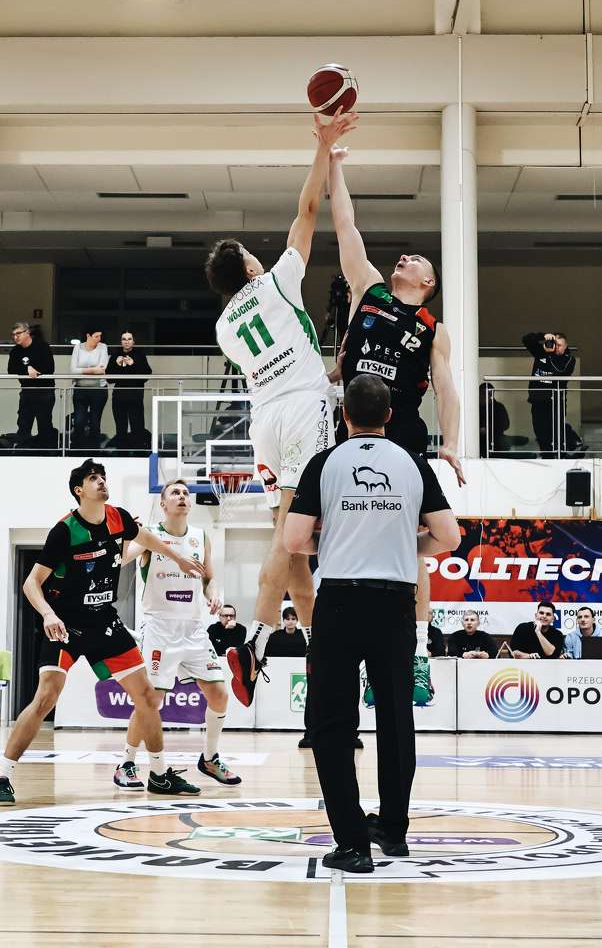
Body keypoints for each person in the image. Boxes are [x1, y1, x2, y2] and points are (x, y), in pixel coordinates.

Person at [206, 106, 357, 707]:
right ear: (250, 266)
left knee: (289, 537)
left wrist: (326, 371)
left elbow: (279, 358)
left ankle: (317, 647)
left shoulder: (224, 328)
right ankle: (254, 642)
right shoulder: (275, 281)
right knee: (293, 536)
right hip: (301, 413)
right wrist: (323, 147)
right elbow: (308, 211)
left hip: (264, 423)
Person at [283, 374, 460, 873]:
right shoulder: (413, 462)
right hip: (395, 604)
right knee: (396, 719)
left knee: (332, 724)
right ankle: (394, 832)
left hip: (339, 603)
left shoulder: (324, 463)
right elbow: (449, 537)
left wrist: (336, 541)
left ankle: (352, 843)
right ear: (388, 416)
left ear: (344, 415)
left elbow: (294, 540)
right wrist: (406, 544)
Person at [327, 143, 465, 706]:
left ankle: (418, 657)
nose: (403, 258)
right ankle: (354, 656)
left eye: (415, 260)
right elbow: (345, 223)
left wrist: (451, 442)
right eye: (404, 256)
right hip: (351, 426)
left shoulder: (433, 327)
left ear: (427, 283)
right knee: (341, 536)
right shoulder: (369, 288)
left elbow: (447, 387)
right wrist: (334, 162)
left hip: (403, 431)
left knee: (410, 545)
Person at [0, 459, 206, 805]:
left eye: (103, 477)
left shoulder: (118, 518)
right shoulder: (64, 531)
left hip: (105, 623)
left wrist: (178, 558)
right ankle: (3, 774)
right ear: (79, 490)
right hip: (66, 625)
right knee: (46, 696)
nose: (101, 482)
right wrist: (48, 614)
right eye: (93, 478)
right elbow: (31, 583)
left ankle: (159, 774)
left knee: (147, 696)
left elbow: (147, 538)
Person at [120, 478, 241, 787]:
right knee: (151, 700)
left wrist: (214, 595)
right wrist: (126, 534)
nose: (183, 496)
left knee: (219, 694)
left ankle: (209, 758)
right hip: (159, 627)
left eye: (186, 493)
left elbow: (209, 578)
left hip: (193, 628)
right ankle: (126, 763)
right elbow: (121, 559)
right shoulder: (150, 535)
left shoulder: (201, 536)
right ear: (163, 504)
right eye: (175, 492)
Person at [523, 330, 585, 457]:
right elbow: (526, 339)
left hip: (555, 402)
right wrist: (543, 336)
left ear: (565, 346)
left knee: (555, 430)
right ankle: (548, 456)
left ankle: (567, 448)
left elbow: (558, 372)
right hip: (537, 401)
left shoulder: (568, 359)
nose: (556, 347)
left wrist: (549, 355)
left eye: (559, 345)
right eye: (554, 344)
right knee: (540, 431)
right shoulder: (541, 352)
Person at [8, 322, 56, 448]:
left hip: (45, 391)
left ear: (27, 332)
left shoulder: (42, 346)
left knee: (44, 424)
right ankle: (22, 453)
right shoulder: (16, 350)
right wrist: (27, 369)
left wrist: (35, 371)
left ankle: (44, 454)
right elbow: (11, 369)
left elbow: (49, 368)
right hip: (27, 391)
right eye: (14, 335)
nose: (16, 337)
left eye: (18, 333)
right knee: (23, 423)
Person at [106, 331, 152, 448]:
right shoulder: (115, 356)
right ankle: (122, 454)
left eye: (129, 339)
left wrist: (133, 364)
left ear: (133, 341)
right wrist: (117, 365)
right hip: (119, 397)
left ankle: (138, 454)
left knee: (137, 428)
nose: (127, 342)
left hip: (135, 397)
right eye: (124, 339)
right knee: (120, 428)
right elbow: (109, 379)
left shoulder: (140, 355)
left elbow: (146, 376)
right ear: (121, 341)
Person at [71, 329, 109, 449]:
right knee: (79, 421)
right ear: (88, 336)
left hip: (98, 389)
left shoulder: (102, 347)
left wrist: (82, 371)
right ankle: (79, 452)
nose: (99, 339)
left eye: (100, 336)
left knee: (95, 422)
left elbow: (102, 369)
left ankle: (95, 451)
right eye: (96, 336)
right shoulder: (78, 348)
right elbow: (73, 370)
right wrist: (93, 370)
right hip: (81, 389)